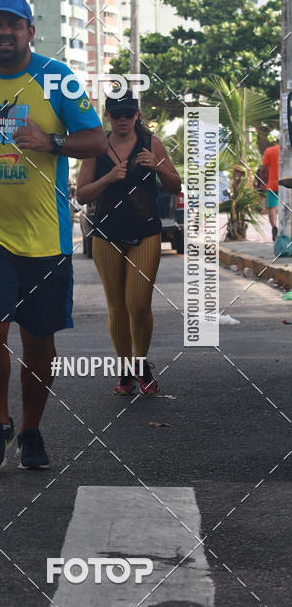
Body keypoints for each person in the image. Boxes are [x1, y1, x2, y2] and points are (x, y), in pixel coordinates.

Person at [0, 0, 107, 470]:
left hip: (46, 236)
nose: (5, 33)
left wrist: (51, 141)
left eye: (15, 25)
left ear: (30, 31)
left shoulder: (58, 79)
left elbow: (95, 138)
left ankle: (31, 429)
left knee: (39, 340)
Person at [76, 90, 181, 396]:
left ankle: (142, 362)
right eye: (116, 114)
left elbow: (175, 185)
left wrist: (158, 166)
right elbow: (82, 194)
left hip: (146, 232)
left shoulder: (151, 143)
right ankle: (125, 369)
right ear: (107, 116)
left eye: (128, 114)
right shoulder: (96, 147)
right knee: (117, 307)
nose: (123, 119)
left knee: (138, 303)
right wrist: (108, 179)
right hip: (106, 235)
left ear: (137, 115)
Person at [261, 139, 279, 241]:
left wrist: (263, 182)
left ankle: (274, 226)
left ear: (276, 140)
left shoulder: (269, 151)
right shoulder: (288, 150)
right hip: (288, 183)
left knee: (272, 207)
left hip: (272, 183)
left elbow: (263, 169)